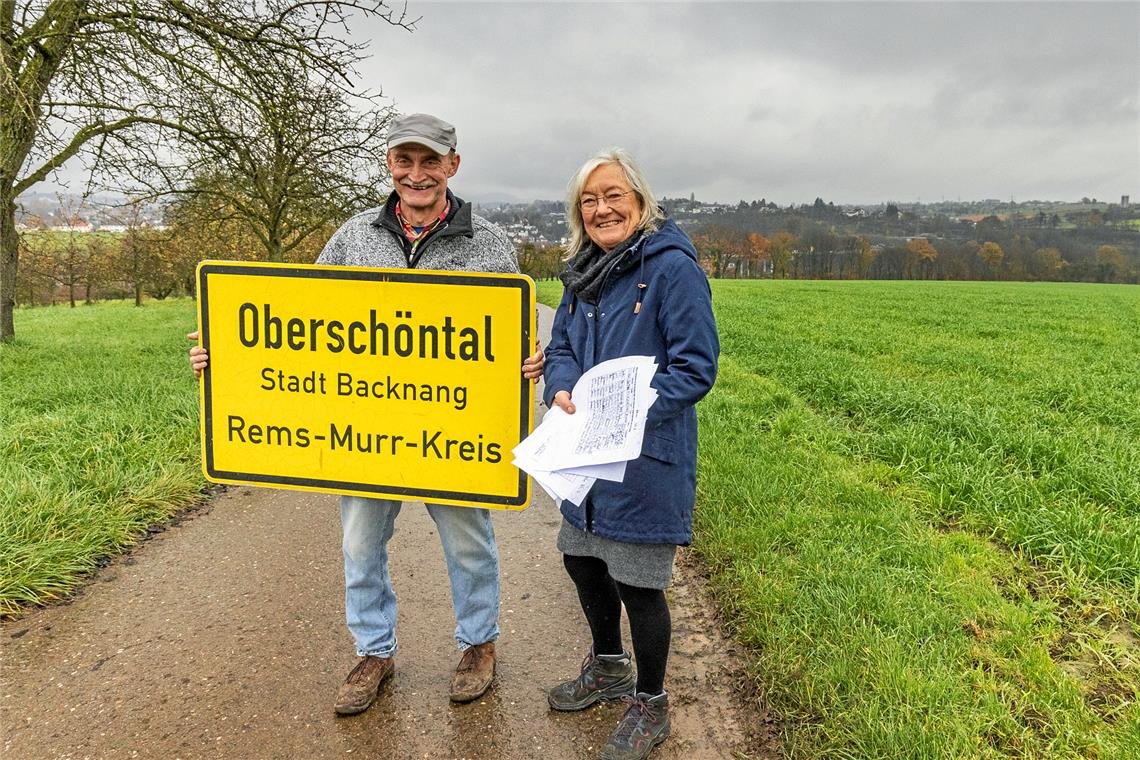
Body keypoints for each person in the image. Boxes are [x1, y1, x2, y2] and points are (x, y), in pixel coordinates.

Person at [188, 113, 544, 715]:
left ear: (453, 166)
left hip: (451, 431)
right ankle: (374, 651)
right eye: (404, 161)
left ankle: (478, 645)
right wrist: (225, 354)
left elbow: (507, 337)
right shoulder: (354, 235)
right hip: (367, 433)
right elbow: (299, 322)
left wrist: (527, 362)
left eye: (430, 161)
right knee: (360, 544)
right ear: (388, 166)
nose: (416, 174)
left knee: (468, 543)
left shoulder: (488, 243)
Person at [542, 148, 718, 760]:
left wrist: (626, 415)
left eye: (613, 195)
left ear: (641, 202)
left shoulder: (672, 269)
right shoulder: (582, 271)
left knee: (639, 581)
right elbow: (561, 344)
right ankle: (609, 665)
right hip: (585, 454)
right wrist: (559, 385)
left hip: (644, 454)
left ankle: (651, 701)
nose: (601, 209)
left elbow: (696, 368)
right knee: (583, 560)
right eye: (588, 200)